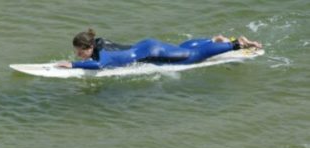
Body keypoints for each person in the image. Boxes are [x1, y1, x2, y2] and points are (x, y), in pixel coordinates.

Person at [56, 28, 263, 69]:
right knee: (178, 48)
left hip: (152, 52)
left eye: (80, 52)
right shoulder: (100, 43)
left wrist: (73, 65)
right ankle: (213, 39)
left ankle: (238, 43)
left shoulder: (103, 56)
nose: (77, 55)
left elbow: (99, 64)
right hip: (149, 46)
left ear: (90, 47)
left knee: (192, 56)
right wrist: (81, 60)